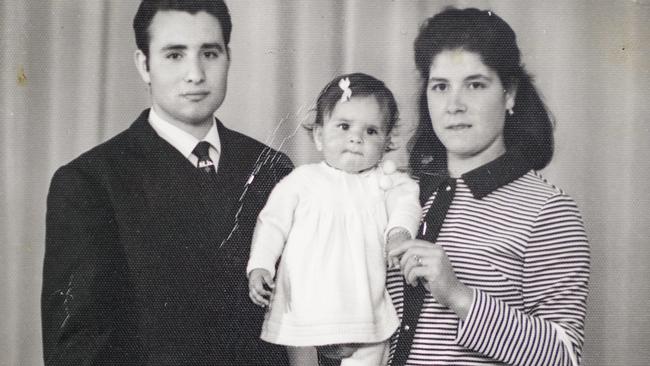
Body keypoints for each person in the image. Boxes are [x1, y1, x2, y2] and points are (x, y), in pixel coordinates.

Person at [41, 1, 292, 365]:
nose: (195, 74)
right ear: (144, 64)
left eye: (209, 52)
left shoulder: (273, 168)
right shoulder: (90, 183)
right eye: (174, 55)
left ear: (228, 57)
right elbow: (79, 352)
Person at [385, 7, 590, 366]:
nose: (454, 105)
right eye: (440, 86)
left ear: (509, 93)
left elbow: (564, 356)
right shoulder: (399, 192)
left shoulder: (549, 210)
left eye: (475, 85)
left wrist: (458, 296)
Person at [247, 73, 422, 366]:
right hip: (305, 306)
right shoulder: (301, 181)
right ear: (318, 135)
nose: (355, 138)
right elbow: (271, 223)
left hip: (363, 309)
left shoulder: (386, 182)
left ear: (387, 143)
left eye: (371, 131)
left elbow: (407, 203)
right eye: (343, 126)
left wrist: (399, 233)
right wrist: (260, 265)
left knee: (370, 354)